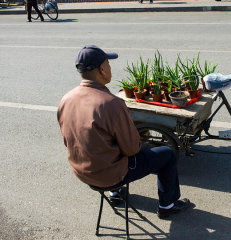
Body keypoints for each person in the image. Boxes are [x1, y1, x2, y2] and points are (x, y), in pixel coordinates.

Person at [57, 45, 191, 219]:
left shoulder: (66, 99)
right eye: (108, 64)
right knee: (166, 154)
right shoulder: (111, 104)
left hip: (82, 172)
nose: (110, 68)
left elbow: (69, 141)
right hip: (108, 175)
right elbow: (132, 149)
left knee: (105, 145)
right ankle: (167, 205)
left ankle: (115, 194)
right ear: (102, 69)